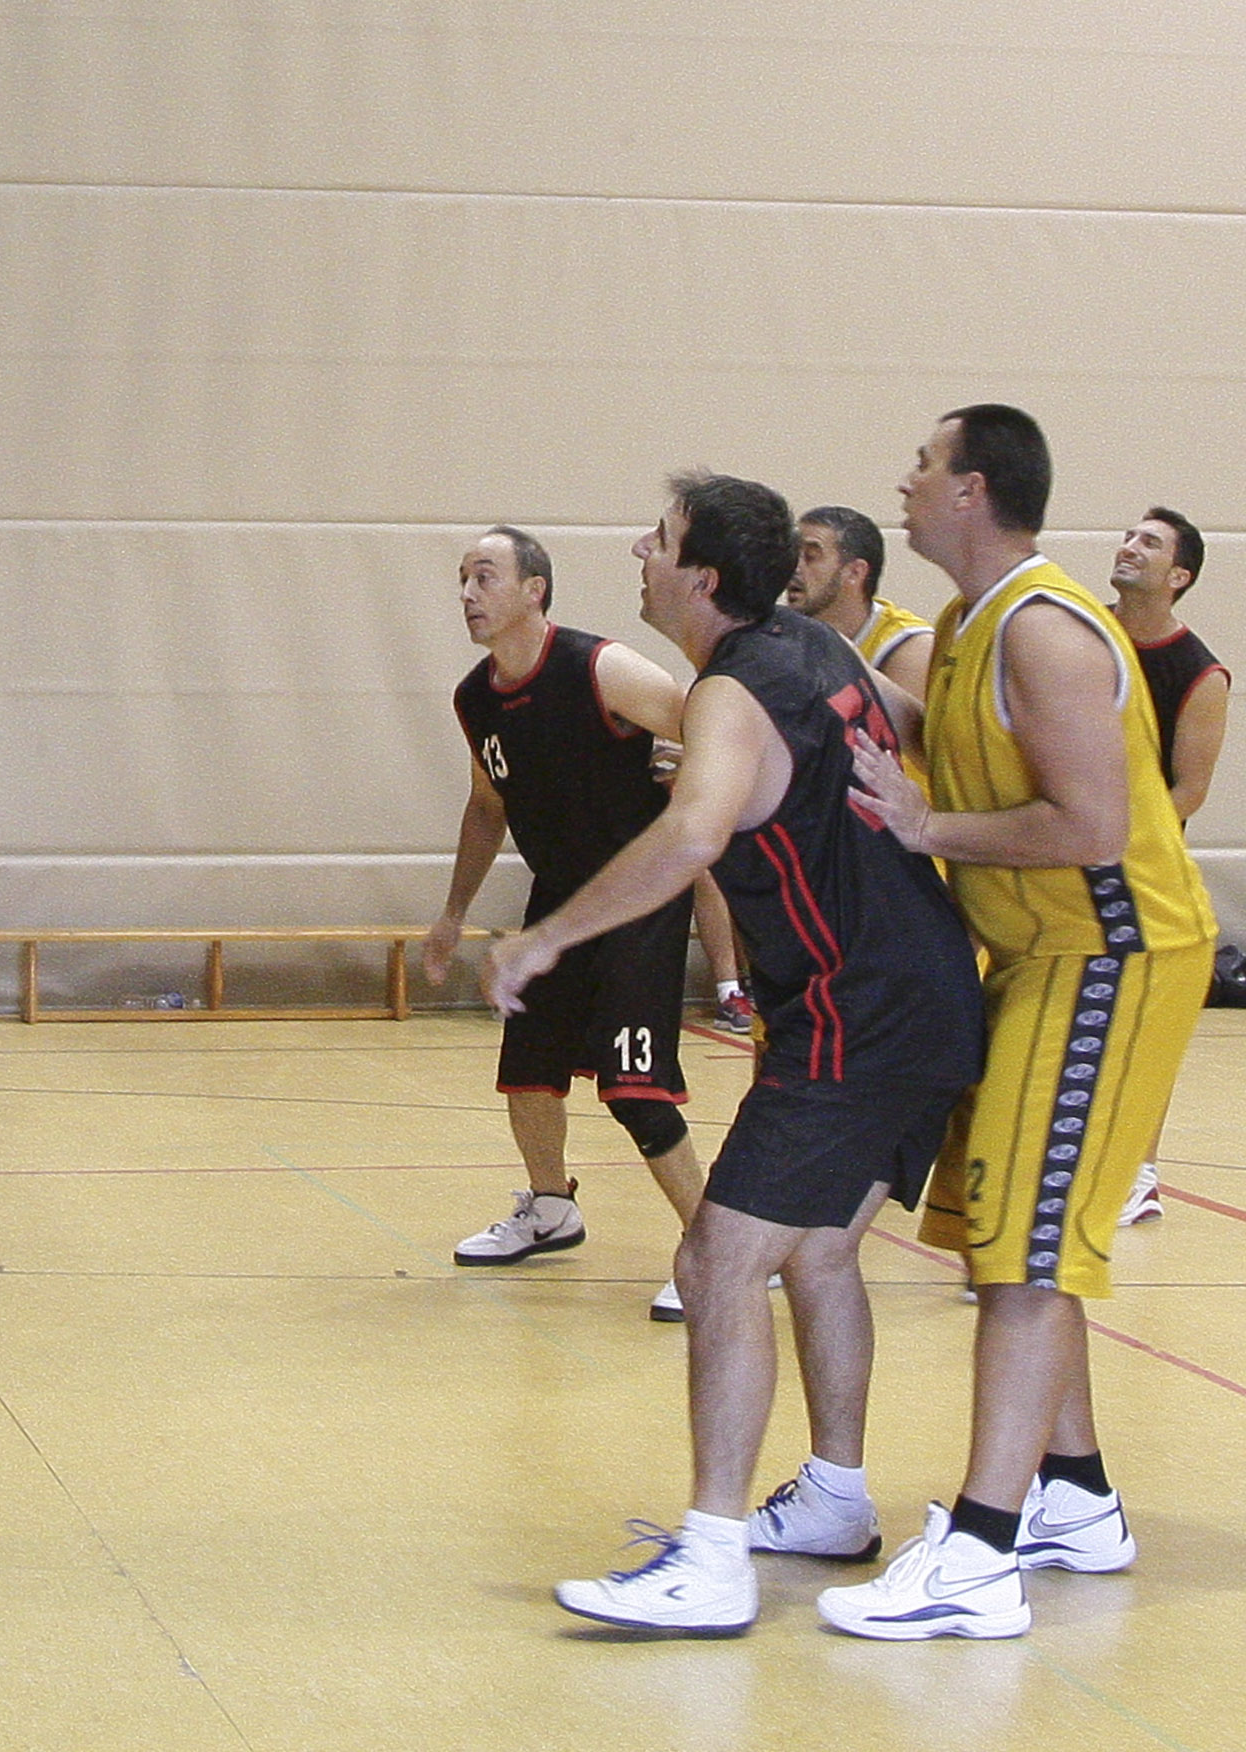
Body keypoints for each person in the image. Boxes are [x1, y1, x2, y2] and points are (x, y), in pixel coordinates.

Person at [500, 475, 982, 1636]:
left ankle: (711, 1560)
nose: (640, 548)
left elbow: (691, 835)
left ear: (703, 577)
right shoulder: (817, 646)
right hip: (919, 997)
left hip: (858, 1018)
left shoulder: (729, 690)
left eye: (660, 539)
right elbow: (922, 726)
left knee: (718, 1263)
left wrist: (548, 937)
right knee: (819, 1254)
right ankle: (835, 1499)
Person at [821, 405, 1217, 1642]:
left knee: (1027, 1259)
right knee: (1004, 1231)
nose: (905, 479)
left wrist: (924, 826)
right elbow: (948, 737)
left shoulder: (1045, 629)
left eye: (924, 463)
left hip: (1112, 955)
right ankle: (1075, 1497)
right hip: (1041, 956)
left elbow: (1092, 826)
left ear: (973, 490)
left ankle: (983, 1555)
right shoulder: (963, 625)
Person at [420, 527, 706, 1321]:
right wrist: (453, 913)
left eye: (485, 577)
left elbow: (717, 727)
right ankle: (551, 1207)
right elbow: (487, 806)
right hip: (557, 899)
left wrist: (695, 762)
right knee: (529, 1064)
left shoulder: (603, 668)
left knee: (634, 1085)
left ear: (534, 590)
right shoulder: (476, 699)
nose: (467, 594)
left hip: (640, 895)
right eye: (462, 579)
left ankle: (716, 1247)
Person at [1106, 505, 1231, 1225]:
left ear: (1178, 576)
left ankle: (1140, 1171)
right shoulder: (1084, 637)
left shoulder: (1199, 673)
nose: (1130, 546)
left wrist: (1119, 836)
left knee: (1140, 1028)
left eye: (1149, 543)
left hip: (1142, 872)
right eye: (1129, 536)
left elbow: (1191, 789)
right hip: (1054, 859)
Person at [792, 505, 934, 704]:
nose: (794, 567)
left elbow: (901, 725)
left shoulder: (908, 645)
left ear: (855, 572)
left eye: (811, 557)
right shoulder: (778, 631)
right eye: (792, 555)